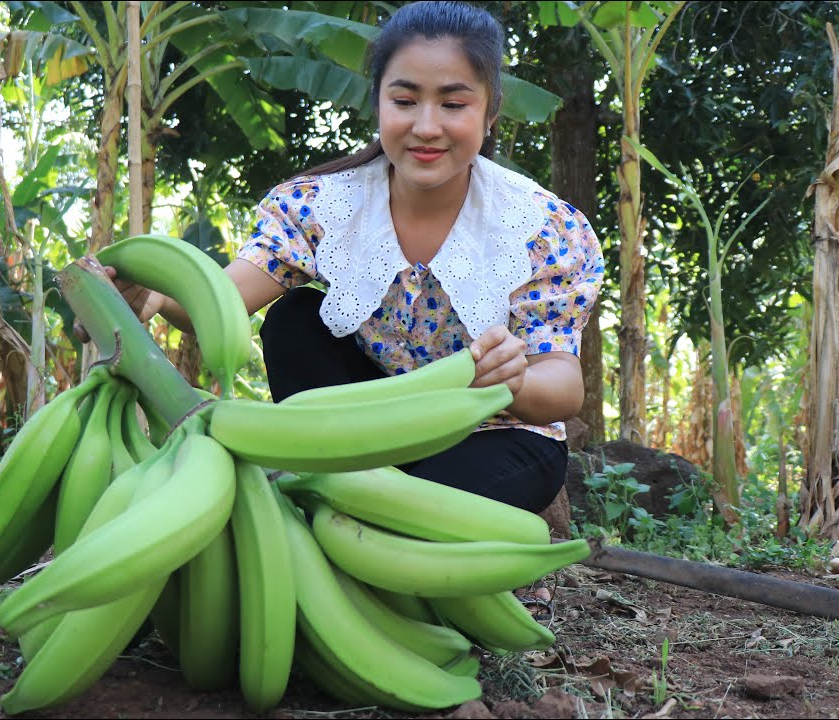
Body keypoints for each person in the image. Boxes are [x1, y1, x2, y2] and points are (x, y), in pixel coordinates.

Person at [100, 0, 603, 514]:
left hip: (488, 435)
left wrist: (515, 379)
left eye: (454, 104)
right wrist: (157, 295)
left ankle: (348, 501)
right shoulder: (323, 206)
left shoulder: (542, 228)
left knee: (414, 501)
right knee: (295, 319)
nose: (427, 126)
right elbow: (217, 305)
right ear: (378, 103)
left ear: (490, 112)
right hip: (362, 431)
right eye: (404, 100)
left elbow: (564, 385)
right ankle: (343, 489)